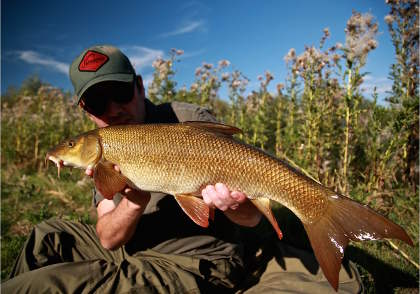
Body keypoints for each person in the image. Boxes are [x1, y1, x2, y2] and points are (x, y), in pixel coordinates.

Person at [2, 45, 362, 293]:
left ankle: (324, 211)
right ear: (85, 110)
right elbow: (109, 238)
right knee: (46, 236)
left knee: (41, 288)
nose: (112, 109)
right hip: (131, 249)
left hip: (193, 262)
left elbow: (252, 219)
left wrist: (237, 206)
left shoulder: (187, 120)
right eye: (98, 101)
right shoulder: (104, 146)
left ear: (139, 87)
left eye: (120, 93)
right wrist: (133, 199)